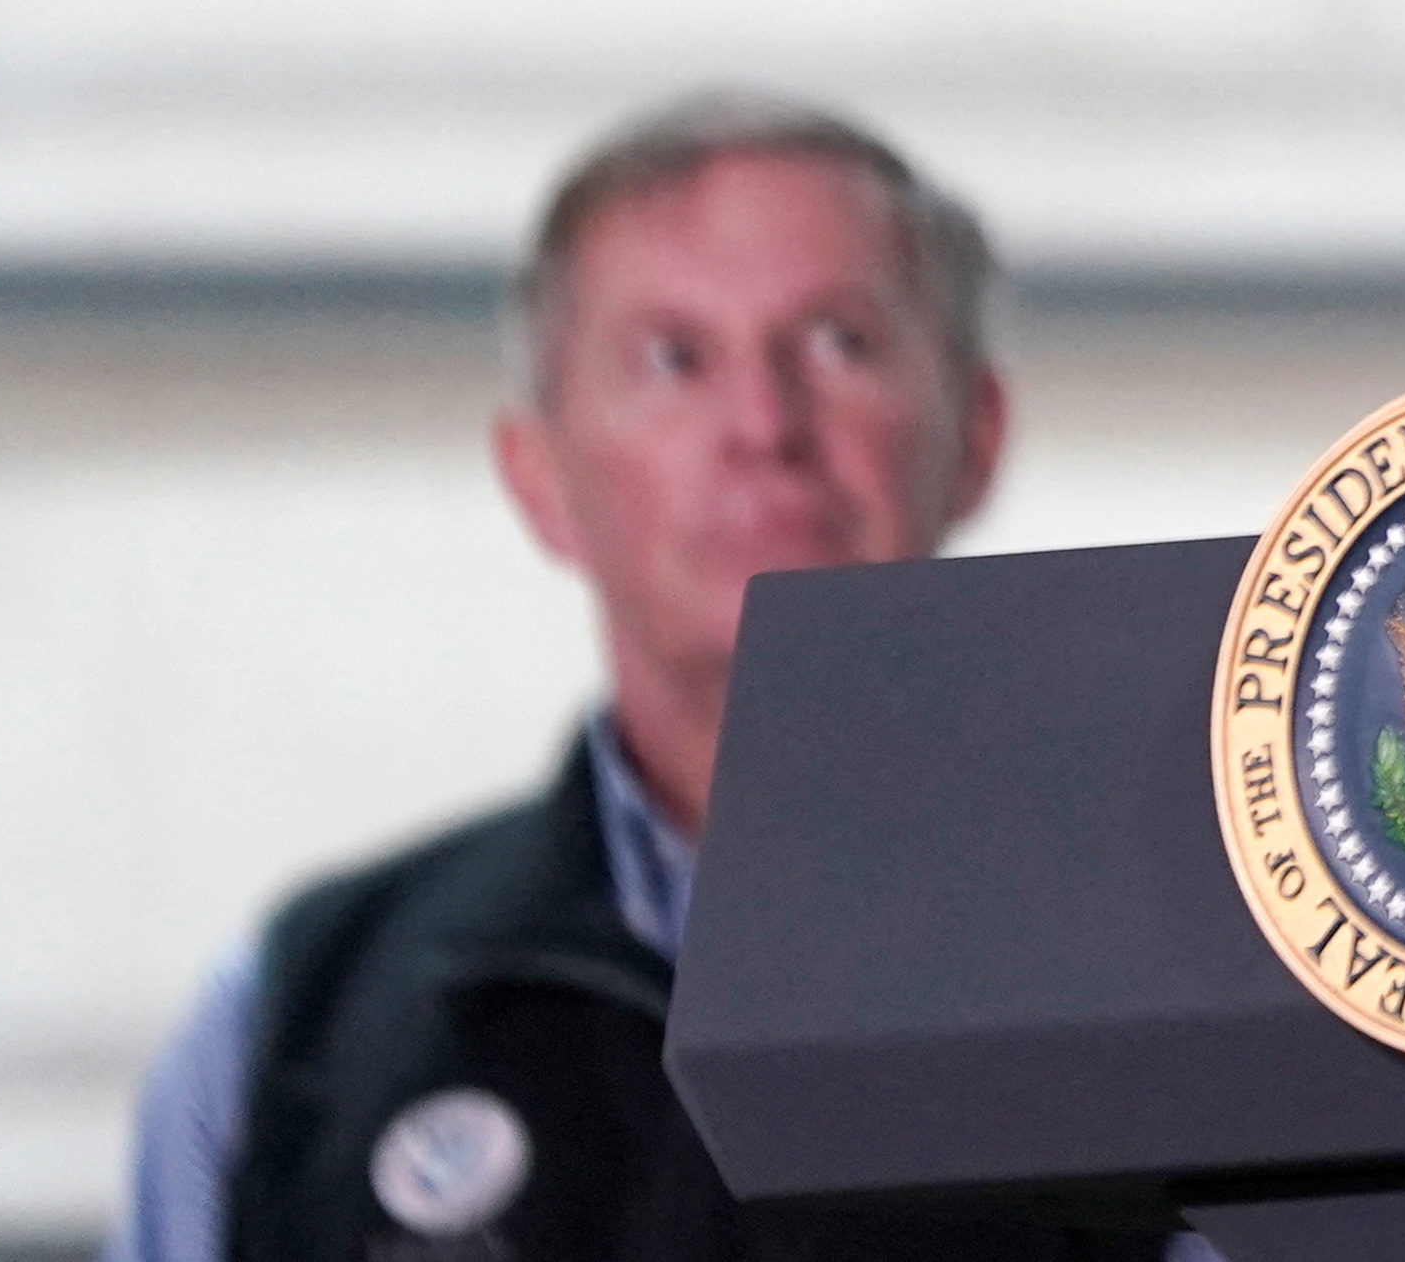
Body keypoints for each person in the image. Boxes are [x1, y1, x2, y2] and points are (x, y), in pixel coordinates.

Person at [105, 91, 1140, 1262]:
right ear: (536, 475)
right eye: (672, 359)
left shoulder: (1193, 972)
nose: (762, 422)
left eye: (841, 342)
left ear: (979, 433)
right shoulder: (300, 1021)